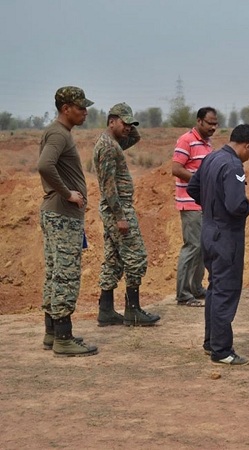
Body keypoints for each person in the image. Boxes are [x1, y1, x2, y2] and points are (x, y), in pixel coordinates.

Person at [187, 124, 249, 365]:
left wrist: (212, 205)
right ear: (248, 145)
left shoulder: (211, 158)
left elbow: (193, 188)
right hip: (226, 237)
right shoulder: (233, 165)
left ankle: (211, 342)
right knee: (226, 290)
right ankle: (221, 351)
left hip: (208, 231)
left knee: (215, 287)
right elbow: (236, 206)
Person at [37, 86, 98, 357]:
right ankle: (64, 338)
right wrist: (68, 193)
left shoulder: (59, 132)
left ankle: (52, 333)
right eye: (81, 107)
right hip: (62, 215)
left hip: (59, 214)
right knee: (66, 275)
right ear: (66, 109)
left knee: (55, 272)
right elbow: (44, 165)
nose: (85, 112)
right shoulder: (58, 134)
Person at [93, 102, 161, 327]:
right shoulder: (108, 146)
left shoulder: (113, 143)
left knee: (113, 259)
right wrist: (120, 216)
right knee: (136, 256)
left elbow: (135, 138)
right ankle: (133, 310)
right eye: (125, 123)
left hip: (116, 209)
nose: (129, 128)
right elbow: (108, 186)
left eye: (131, 124)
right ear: (111, 121)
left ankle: (106, 311)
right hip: (118, 208)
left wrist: (128, 123)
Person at [172, 107, 218, 307]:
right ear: (199, 121)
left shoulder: (207, 144)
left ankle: (196, 288)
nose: (213, 127)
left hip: (203, 203)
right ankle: (183, 294)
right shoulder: (186, 140)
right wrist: (200, 181)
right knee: (192, 246)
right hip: (189, 203)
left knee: (202, 247)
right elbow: (176, 169)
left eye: (215, 124)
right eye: (210, 123)